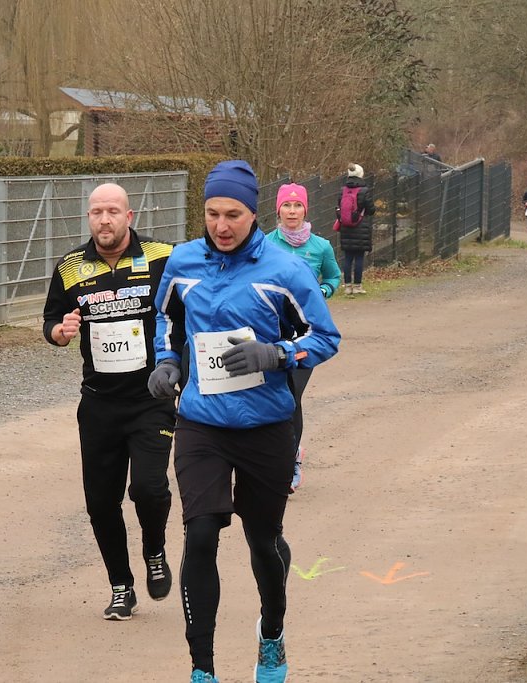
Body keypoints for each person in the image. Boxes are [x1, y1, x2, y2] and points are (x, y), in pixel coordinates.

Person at [148, 160, 340, 683]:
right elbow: (164, 319)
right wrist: (167, 362)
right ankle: (202, 669)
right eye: (212, 213)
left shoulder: (285, 270)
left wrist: (277, 354)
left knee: (263, 539)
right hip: (202, 424)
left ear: (254, 214)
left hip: (266, 426)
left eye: (233, 214)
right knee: (200, 534)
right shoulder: (183, 261)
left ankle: (271, 634)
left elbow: (326, 337)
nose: (222, 225)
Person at [42, 182, 175, 621]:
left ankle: (154, 549)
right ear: (89, 218)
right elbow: (51, 320)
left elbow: (186, 308)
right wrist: (59, 332)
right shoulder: (70, 267)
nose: (104, 219)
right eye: (96, 212)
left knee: (149, 489)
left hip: (151, 398)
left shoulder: (161, 256)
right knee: (101, 503)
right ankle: (121, 586)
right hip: (99, 403)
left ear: (128, 216)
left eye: (112, 211)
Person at [264, 183, 340, 492]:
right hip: (271, 331)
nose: (292, 211)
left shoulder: (321, 247)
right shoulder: (265, 244)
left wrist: (323, 290)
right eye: (287, 206)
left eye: (297, 206)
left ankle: (291, 459)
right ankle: (269, 457)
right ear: (278, 210)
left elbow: (333, 276)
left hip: (306, 333)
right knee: (270, 394)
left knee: (291, 395)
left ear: (305, 210)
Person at [336, 163, 375, 295]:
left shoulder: (343, 190)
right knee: (359, 258)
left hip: (346, 227)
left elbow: (339, 207)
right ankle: (357, 286)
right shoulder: (364, 191)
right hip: (361, 227)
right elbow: (371, 209)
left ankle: (347, 286)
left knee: (347, 258)